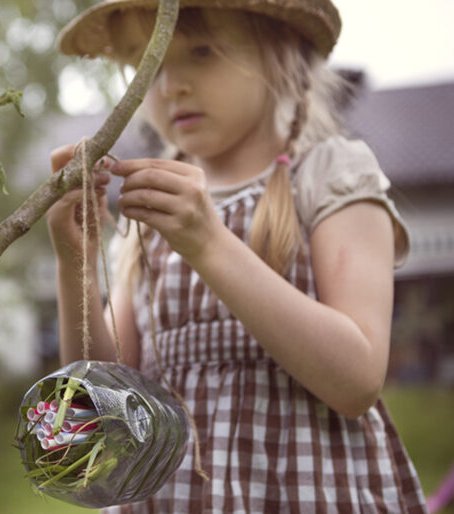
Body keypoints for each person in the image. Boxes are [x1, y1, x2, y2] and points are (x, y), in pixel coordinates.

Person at [45, 0, 429, 512]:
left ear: (282, 53)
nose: (169, 86)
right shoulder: (148, 215)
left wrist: (209, 242)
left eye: (201, 51)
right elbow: (105, 397)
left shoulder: (331, 175)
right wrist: (76, 263)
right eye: (147, 63)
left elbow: (356, 381)